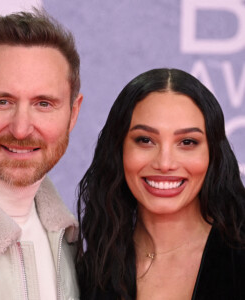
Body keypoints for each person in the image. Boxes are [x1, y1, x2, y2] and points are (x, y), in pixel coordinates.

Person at [0, 8, 83, 300]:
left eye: (44, 104)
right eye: (3, 101)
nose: (21, 129)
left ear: (73, 113)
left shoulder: (68, 240)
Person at [76, 68, 245, 300]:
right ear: (119, 150)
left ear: (213, 154)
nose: (165, 163)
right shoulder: (93, 270)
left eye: (187, 142)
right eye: (145, 140)